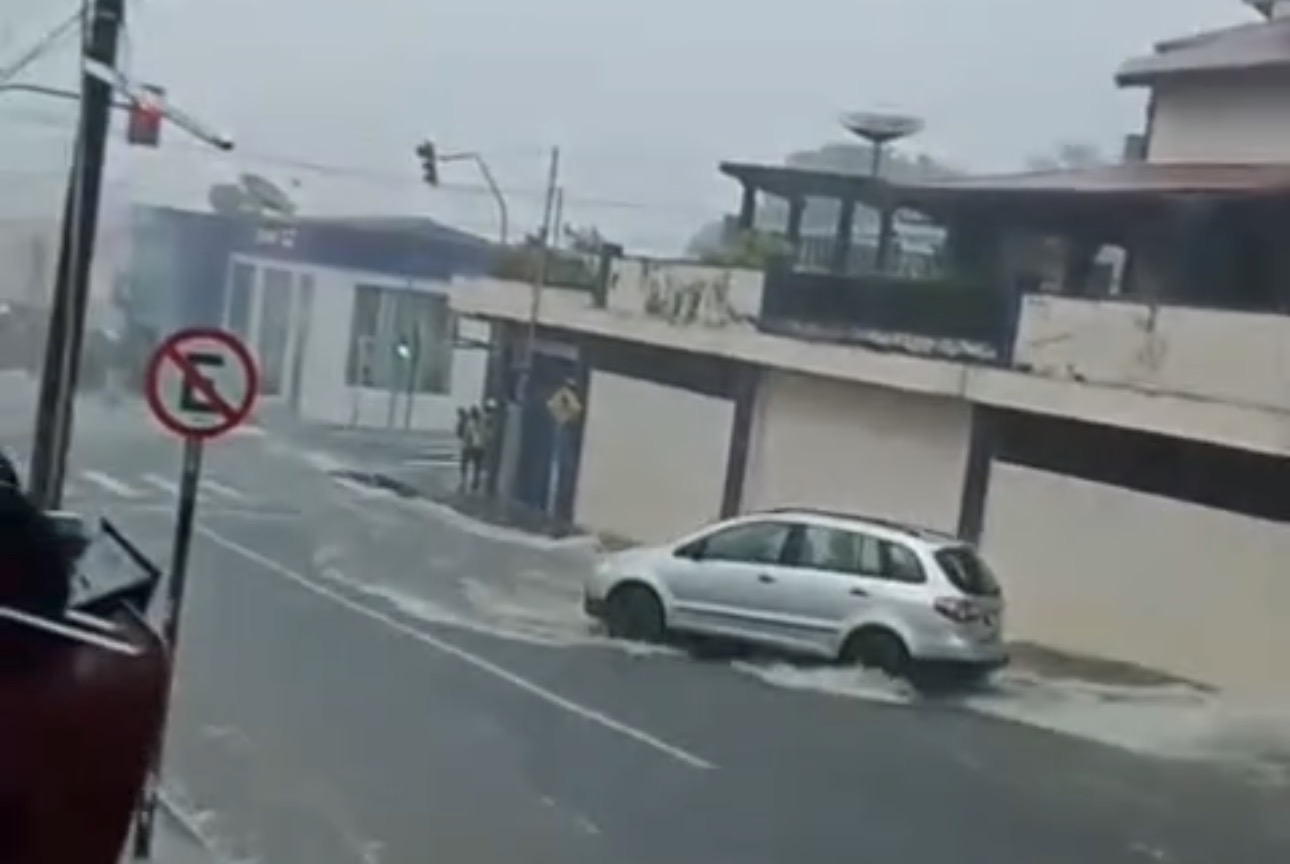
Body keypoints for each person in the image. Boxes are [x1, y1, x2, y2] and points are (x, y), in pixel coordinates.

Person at [458, 406, 486, 493]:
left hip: (469, 447)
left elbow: (465, 435)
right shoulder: (483, 423)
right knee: (477, 466)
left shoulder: (469, 424)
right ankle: (475, 482)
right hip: (480, 448)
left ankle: (464, 480)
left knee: (464, 464)